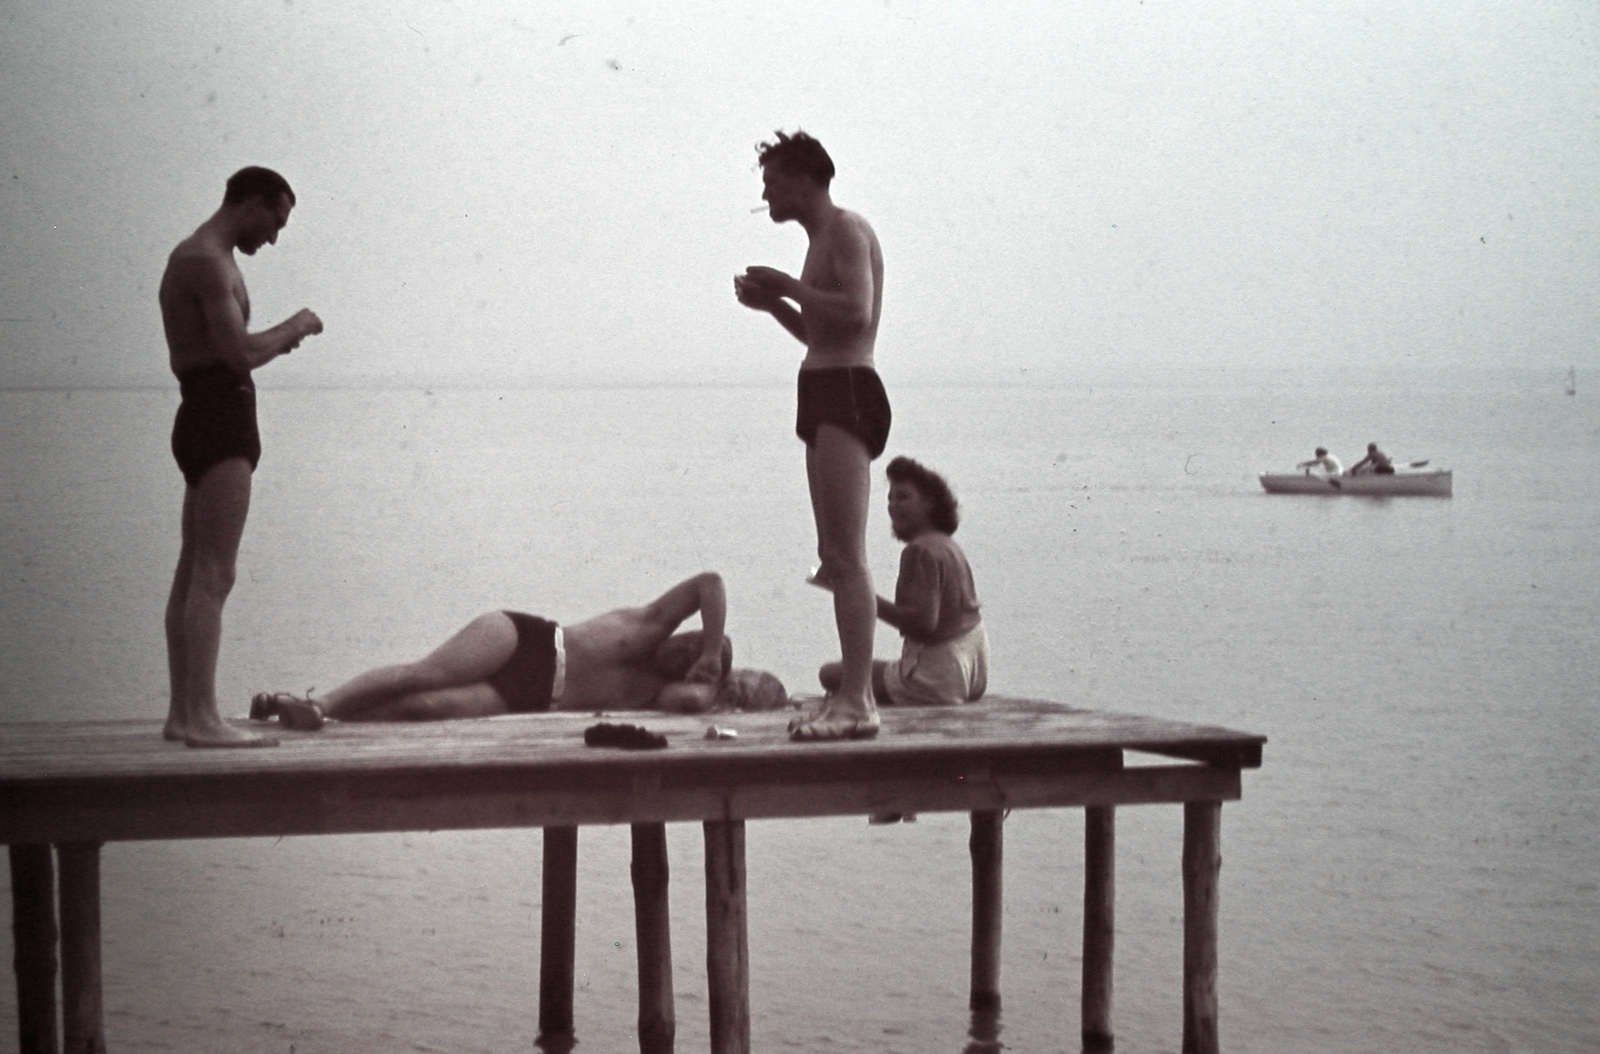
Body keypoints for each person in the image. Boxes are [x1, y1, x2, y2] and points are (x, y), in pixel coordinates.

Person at [160, 166, 323, 747]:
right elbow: (239, 353)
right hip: (218, 417)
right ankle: (203, 718)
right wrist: (295, 326)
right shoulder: (204, 260)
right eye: (274, 221)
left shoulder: (206, 257)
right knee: (215, 573)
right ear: (250, 203)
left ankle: (184, 714)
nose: (274, 237)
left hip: (209, 415)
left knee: (194, 568)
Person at [734, 130, 887, 741]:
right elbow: (822, 332)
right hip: (824, 383)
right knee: (833, 557)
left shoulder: (847, 230)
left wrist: (787, 285)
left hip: (850, 389)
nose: (765, 193)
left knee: (848, 556)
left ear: (804, 179)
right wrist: (774, 306)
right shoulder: (820, 239)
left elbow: (857, 314)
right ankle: (851, 695)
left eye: (772, 181)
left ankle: (859, 702)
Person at [249, 572, 788, 728]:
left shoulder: (662, 693)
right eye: (688, 641)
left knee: (423, 710)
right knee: (425, 675)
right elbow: (710, 583)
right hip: (525, 640)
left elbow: (693, 706)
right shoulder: (647, 624)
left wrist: (710, 682)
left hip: (530, 699)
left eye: (691, 657)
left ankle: (323, 720)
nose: (683, 651)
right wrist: (714, 647)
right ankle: (320, 703)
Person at [818, 457, 988, 707]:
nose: (893, 506)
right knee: (867, 670)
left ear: (929, 503)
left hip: (939, 679)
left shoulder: (920, 551)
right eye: (890, 498)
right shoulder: (948, 545)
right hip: (974, 670)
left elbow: (922, 624)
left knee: (831, 674)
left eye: (903, 497)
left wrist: (856, 596)